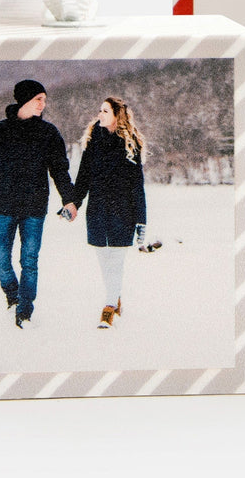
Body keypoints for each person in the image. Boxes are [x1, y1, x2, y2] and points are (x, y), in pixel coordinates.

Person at [0, 79, 77, 329]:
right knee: (0, 260)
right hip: (4, 205)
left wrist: (69, 200)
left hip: (34, 207)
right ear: (25, 99)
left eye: (45, 100)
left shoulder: (49, 133)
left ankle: (25, 311)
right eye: (39, 99)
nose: (43, 104)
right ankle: (13, 295)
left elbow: (60, 170)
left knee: (29, 261)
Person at [73, 96, 147, 329]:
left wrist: (141, 220)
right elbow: (83, 177)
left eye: (105, 111)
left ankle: (108, 308)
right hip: (96, 209)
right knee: (104, 259)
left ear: (117, 115)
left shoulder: (130, 142)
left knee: (116, 259)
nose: (100, 114)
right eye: (100, 110)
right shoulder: (93, 140)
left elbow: (137, 185)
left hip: (122, 210)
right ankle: (115, 297)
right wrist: (73, 203)